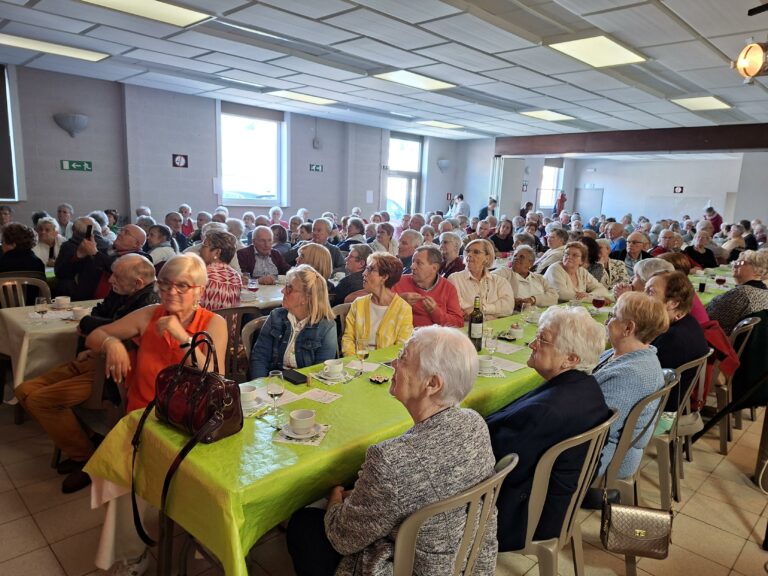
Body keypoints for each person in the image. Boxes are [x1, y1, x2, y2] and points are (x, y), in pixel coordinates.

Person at [287, 327, 498, 576]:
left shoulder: (391, 460)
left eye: (403, 358)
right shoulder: (475, 423)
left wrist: (334, 499)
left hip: (415, 569)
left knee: (304, 524)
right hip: (469, 562)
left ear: (432, 383)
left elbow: (342, 538)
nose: (393, 363)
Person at [15, 254, 159, 493]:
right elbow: (96, 320)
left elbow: (115, 336)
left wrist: (97, 330)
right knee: (23, 390)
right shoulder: (121, 290)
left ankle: (86, 458)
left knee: (41, 400)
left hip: (110, 374)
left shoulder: (149, 304)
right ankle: (90, 441)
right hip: (93, 358)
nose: (110, 279)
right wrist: (97, 333)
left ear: (138, 283)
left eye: (117, 276)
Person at [487, 306, 612, 551]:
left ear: (571, 359)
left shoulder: (547, 411)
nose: (532, 344)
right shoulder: (588, 388)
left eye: (543, 339)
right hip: (557, 506)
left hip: (523, 517)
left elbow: (491, 460)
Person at [85, 253, 227, 414]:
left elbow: (216, 380)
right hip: (143, 412)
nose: (171, 291)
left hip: (190, 416)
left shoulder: (214, 323)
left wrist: (182, 337)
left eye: (182, 286)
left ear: (199, 291)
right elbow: (94, 336)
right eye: (165, 284)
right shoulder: (149, 314)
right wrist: (111, 343)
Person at [593, 292, 668, 478]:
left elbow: (595, 427)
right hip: (601, 447)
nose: (607, 321)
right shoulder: (626, 354)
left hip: (603, 456)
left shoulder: (630, 375)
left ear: (628, 328)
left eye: (613, 315)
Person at [250, 264, 336, 377]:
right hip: (274, 381)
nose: (283, 291)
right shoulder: (276, 316)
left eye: (289, 288)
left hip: (307, 383)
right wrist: (261, 384)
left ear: (306, 298)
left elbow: (321, 371)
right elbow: (259, 358)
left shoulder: (326, 326)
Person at [645, 271, 709, 411]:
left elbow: (645, 381)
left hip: (658, 411)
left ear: (673, 303)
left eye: (650, 292)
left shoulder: (672, 338)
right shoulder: (689, 321)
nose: (643, 297)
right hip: (673, 400)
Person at [341, 253, 412, 356]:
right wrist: (353, 360)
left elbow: (400, 348)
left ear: (384, 277)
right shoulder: (358, 303)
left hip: (386, 363)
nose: (364, 273)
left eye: (370, 269)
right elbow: (348, 338)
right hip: (357, 362)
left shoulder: (403, 309)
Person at [393, 245, 464, 328]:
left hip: (436, 335)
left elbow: (458, 322)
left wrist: (435, 312)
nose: (412, 266)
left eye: (419, 263)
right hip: (403, 334)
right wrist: (399, 302)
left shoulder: (448, 288)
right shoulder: (397, 282)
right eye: (413, 261)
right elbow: (381, 311)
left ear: (434, 268)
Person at [449, 239, 515, 320]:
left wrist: (483, 309)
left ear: (487, 258)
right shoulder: (455, 279)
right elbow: (459, 308)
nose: (469, 254)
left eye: (476, 252)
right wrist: (491, 315)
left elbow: (508, 307)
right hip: (468, 326)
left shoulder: (500, 281)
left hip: (494, 326)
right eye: (468, 251)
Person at [706, 250, 768, 334]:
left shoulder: (742, 293)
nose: (735, 265)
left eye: (741, 262)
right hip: (752, 340)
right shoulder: (764, 292)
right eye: (736, 262)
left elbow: (710, 316)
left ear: (757, 270)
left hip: (723, 338)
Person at [493, 245, 558, 308]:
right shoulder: (504, 272)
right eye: (515, 256)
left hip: (541, 313)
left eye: (521, 257)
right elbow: (488, 280)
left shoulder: (539, 278)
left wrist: (533, 300)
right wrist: (511, 301)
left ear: (530, 263)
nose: (516, 258)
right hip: (515, 313)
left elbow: (554, 297)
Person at [544, 241, 611, 302]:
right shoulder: (555, 269)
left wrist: (589, 295)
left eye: (575, 255)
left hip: (573, 307)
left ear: (582, 260)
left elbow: (601, 288)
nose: (569, 257)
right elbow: (561, 294)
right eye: (567, 254)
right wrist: (592, 298)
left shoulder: (582, 271)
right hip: (551, 308)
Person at [198, 230, 242, 311]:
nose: (199, 249)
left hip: (208, 319)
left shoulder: (203, 276)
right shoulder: (236, 276)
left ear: (217, 252)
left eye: (204, 246)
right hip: (230, 320)